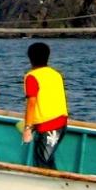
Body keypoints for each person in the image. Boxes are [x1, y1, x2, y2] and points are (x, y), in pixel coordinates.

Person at [19, 41, 68, 170]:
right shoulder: (56, 74)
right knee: (47, 159)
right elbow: (48, 102)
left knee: (42, 163)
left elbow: (31, 104)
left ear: (30, 58)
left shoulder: (32, 77)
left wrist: (28, 128)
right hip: (62, 124)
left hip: (49, 128)